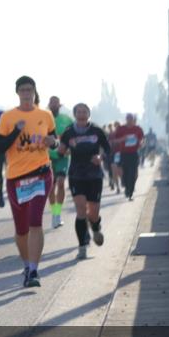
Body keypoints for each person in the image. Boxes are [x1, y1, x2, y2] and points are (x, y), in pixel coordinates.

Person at [0, 76, 58, 288]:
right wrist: (15, 131)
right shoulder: (8, 117)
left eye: (29, 89)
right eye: (22, 90)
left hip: (41, 173)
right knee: (21, 230)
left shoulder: (45, 115)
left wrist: (53, 142)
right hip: (16, 178)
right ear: (17, 93)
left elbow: (54, 140)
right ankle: (27, 264)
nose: (26, 93)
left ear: (34, 91)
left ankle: (34, 270)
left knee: (35, 220)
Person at [56, 103, 111, 259]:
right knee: (81, 210)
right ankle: (82, 247)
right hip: (76, 175)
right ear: (75, 114)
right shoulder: (69, 132)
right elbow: (61, 151)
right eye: (78, 111)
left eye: (84, 111)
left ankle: (95, 225)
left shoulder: (97, 130)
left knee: (93, 212)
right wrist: (59, 150)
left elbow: (107, 148)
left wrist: (101, 157)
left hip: (94, 176)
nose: (81, 114)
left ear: (89, 113)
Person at [47, 96, 74, 229]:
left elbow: (73, 136)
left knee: (61, 183)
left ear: (59, 105)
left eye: (56, 103)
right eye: (52, 103)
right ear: (49, 105)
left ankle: (58, 214)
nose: (54, 105)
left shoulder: (66, 120)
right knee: (50, 188)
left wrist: (70, 148)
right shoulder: (44, 118)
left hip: (62, 156)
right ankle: (54, 213)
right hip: (47, 157)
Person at [113, 113, 145, 200]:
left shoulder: (138, 129)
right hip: (124, 154)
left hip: (134, 153)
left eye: (131, 119)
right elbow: (115, 141)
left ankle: (130, 191)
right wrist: (123, 139)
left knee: (133, 173)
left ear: (133, 120)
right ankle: (126, 187)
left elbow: (142, 138)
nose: (130, 121)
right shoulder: (121, 129)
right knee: (125, 173)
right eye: (128, 119)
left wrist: (141, 142)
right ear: (126, 119)